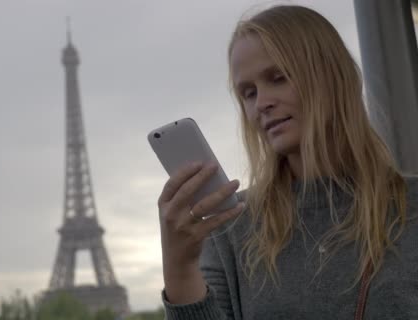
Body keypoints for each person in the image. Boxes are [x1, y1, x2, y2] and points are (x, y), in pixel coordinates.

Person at [157, 5, 418, 319]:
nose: (262, 103)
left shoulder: (410, 207)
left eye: (278, 78)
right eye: (248, 93)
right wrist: (180, 270)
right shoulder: (232, 226)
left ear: (332, 76)